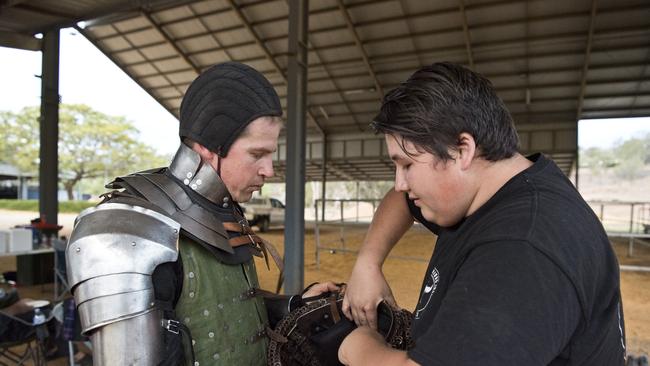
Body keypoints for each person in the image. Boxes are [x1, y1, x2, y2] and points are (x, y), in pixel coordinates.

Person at [339, 62, 626, 365]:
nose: (400, 183)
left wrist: (358, 347)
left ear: (462, 150)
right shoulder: (491, 195)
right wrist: (367, 262)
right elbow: (398, 201)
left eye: (407, 165)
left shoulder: (523, 247)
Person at [66, 62, 336, 366]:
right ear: (208, 148)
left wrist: (296, 305)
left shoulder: (223, 211)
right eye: (257, 154)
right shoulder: (129, 233)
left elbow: (227, 309)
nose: (269, 170)